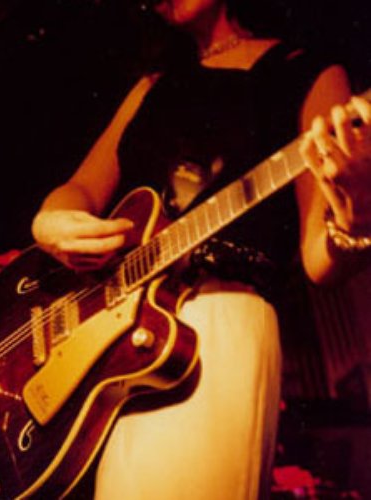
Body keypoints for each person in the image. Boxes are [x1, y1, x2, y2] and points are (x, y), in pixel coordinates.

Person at [31, 0, 371, 498]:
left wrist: (357, 218)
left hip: (213, 327)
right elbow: (81, 187)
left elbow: (320, 260)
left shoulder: (306, 71)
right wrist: (50, 222)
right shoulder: (152, 85)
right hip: (108, 341)